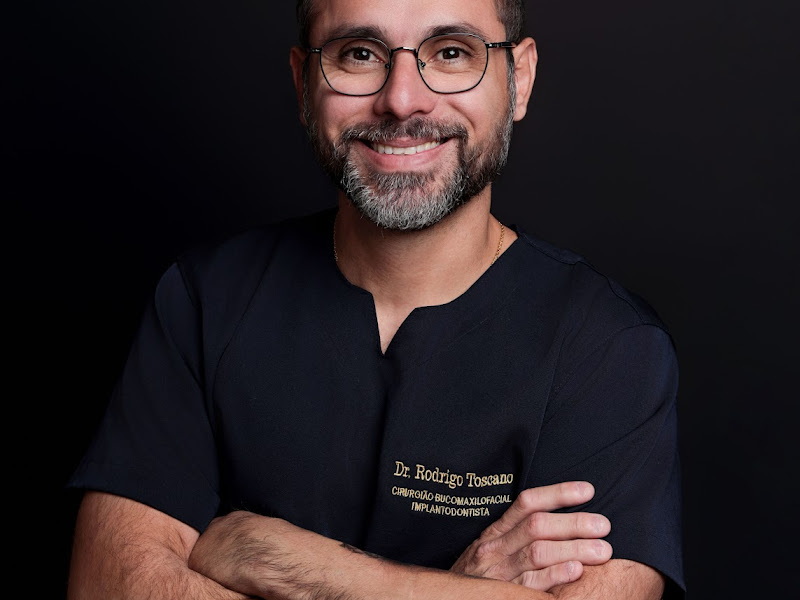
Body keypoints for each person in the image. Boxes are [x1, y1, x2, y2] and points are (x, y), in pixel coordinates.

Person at [66, 0, 684, 598]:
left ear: (518, 79)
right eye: (359, 53)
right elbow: (105, 585)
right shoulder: (203, 300)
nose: (402, 99)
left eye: (451, 52)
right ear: (303, 82)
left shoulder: (609, 349)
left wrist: (282, 561)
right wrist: (458, 592)